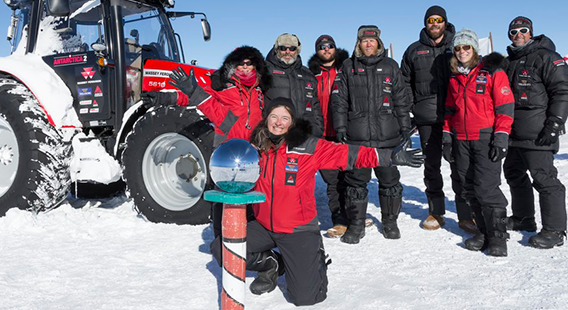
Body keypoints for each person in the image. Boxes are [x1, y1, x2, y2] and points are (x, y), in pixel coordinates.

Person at [206, 97, 423, 306]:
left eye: (285, 118)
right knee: (220, 248)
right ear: (266, 119)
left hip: (297, 229)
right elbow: (226, 121)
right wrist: (196, 95)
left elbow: (348, 154)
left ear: (292, 123)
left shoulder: (308, 146)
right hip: (263, 225)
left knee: (306, 298)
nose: (278, 123)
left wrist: (389, 157)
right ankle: (271, 263)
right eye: (274, 116)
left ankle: (314, 256)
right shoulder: (256, 144)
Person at [166, 46, 267, 237]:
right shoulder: (222, 86)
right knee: (223, 197)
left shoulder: (260, 91)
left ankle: (250, 239)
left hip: (251, 153)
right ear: (232, 66)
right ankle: (221, 239)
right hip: (226, 151)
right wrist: (168, 97)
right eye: (240, 63)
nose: (245, 68)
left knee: (251, 196)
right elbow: (194, 96)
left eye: (249, 63)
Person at [331, 25, 412, 243]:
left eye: (372, 41)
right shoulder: (348, 67)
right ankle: (356, 226)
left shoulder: (391, 66)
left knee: (390, 182)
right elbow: (338, 101)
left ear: (378, 43)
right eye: (364, 41)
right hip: (357, 138)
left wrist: (405, 127)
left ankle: (390, 223)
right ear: (359, 43)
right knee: (355, 184)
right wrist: (340, 128)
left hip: (387, 136)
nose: (368, 44)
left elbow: (402, 100)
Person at [400, 5, 476, 233]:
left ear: (445, 22)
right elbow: (404, 82)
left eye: (439, 19)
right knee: (431, 166)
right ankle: (436, 211)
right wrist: (414, 106)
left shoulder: (457, 46)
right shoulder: (414, 50)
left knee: (459, 165)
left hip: (456, 117)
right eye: (430, 20)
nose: (434, 23)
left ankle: (465, 214)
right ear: (425, 23)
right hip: (427, 118)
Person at [503, 16, 568, 249]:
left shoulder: (547, 57)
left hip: (538, 132)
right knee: (513, 173)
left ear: (531, 33)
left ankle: (555, 230)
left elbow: (563, 91)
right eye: (514, 32)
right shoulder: (508, 62)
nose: (518, 35)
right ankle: (524, 218)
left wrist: (554, 123)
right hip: (512, 133)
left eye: (523, 30)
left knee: (544, 179)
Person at [442, 29, 514, 257]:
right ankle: (483, 232)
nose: (462, 51)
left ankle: (498, 237)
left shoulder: (491, 71)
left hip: (485, 138)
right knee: (468, 187)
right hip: (461, 139)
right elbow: (449, 110)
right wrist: (446, 136)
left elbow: (505, 107)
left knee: (487, 188)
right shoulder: (455, 76)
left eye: (466, 47)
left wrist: (501, 136)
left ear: (474, 49)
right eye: (458, 48)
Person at [307, 34, 356, 238]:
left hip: (345, 130)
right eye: (322, 47)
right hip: (322, 133)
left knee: (350, 176)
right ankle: (339, 219)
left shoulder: (346, 69)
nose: (326, 49)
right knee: (332, 179)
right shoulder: (311, 74)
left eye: (330, 46)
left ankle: (354, 215)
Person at [262, 33, 325, 137]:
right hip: (276, 132)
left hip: (305, 134)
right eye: (283, 48)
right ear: (277, 49)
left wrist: (318, 129)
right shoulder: (265, 71)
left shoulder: (307, 74)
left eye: (292, 48)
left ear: (297, 50)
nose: (288, 52)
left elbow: (315, 105)